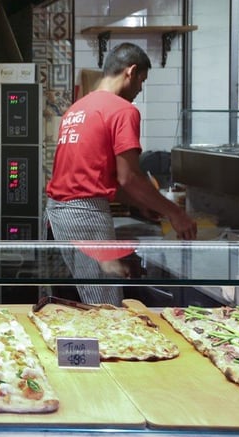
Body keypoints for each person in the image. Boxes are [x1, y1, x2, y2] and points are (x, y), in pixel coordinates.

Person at [44, 42, 197, 305]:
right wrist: (176, 213)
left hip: (56, 213)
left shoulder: (77, 108)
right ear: (131, 71)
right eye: (142, 81)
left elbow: (97, 177)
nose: (140, 89)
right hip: (85, 216)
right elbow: (130, 177)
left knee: (70, 302)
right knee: (104, 305)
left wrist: (142, 202)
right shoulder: (123, 110)